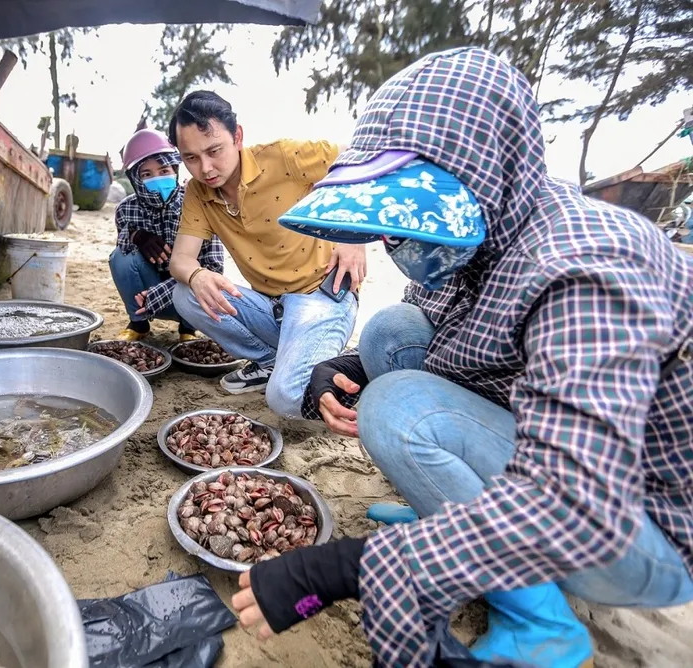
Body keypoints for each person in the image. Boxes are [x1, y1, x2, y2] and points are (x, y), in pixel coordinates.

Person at [231, 47, 693, 668]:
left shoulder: (585, 265)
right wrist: (344, 369)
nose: (397, 241)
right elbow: (446, 338)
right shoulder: (475, 235)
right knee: (390, 331)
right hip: (543, 439)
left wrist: (350, 568)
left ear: (483, 167)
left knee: (397, 409)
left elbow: (580, 505)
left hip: (635, 525)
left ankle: (538, 619)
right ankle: (443, 501)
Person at [166, 91, 366, 417]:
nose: (205, 168)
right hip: (271, 307)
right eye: (190, 158)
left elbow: (360, 158)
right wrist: (198, 274)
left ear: (238, 136)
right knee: (186, 292)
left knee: (285, 398)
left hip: (321, 296)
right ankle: (270, 358)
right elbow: (180, 261)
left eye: (214, 150)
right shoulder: (197, 193)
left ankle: (360, 361)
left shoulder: (284, 157)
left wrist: (354, 233)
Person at [110, 128, 224, 342]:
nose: (157, 179)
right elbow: (123, 252)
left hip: (187, 295)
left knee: (201, 276)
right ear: (135, 179)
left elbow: (214, 268)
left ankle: (188, 329)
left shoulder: (199, 204)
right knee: (120, 257)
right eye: (146, 174)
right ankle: (138, 325)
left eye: (164, 171)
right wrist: (136, 236)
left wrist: (157, 295)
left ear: (175, 169)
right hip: (142, 297)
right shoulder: (126, 209)